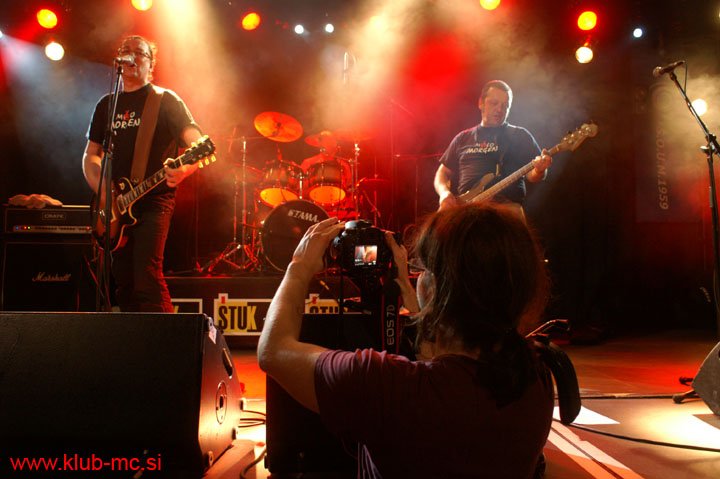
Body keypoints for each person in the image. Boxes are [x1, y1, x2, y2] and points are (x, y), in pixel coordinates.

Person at [258, 202, 554, 478]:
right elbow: (439, 355)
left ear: (435, 289)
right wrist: (404, 284)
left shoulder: (385, 385)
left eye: (421, 270)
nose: (417, 275)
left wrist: (299, 267)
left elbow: (274, 350)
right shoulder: (536, 377)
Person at [82, 35, 206, 312]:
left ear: (151, 64)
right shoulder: (107, 104)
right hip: (116, 205)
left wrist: (185, 169)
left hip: (154, 201)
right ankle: (132, 338)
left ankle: (166, 338)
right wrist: (104, 193)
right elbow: (91, 155)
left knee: (146, 277)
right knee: (123, 281)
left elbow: (197, 142)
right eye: (125, 51)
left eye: (139, 52)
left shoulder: (165, 100)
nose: (131, 56)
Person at [434, 80, 552, 214]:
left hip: (506, 211)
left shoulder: (519, 135)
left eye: (505, 105)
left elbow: (532, 176)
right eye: (494, 103)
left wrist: (539, 170)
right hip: (466, 211)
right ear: (481, 103)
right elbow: (442, 173)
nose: (500, 109)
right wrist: (444, 194)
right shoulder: (462, 138)